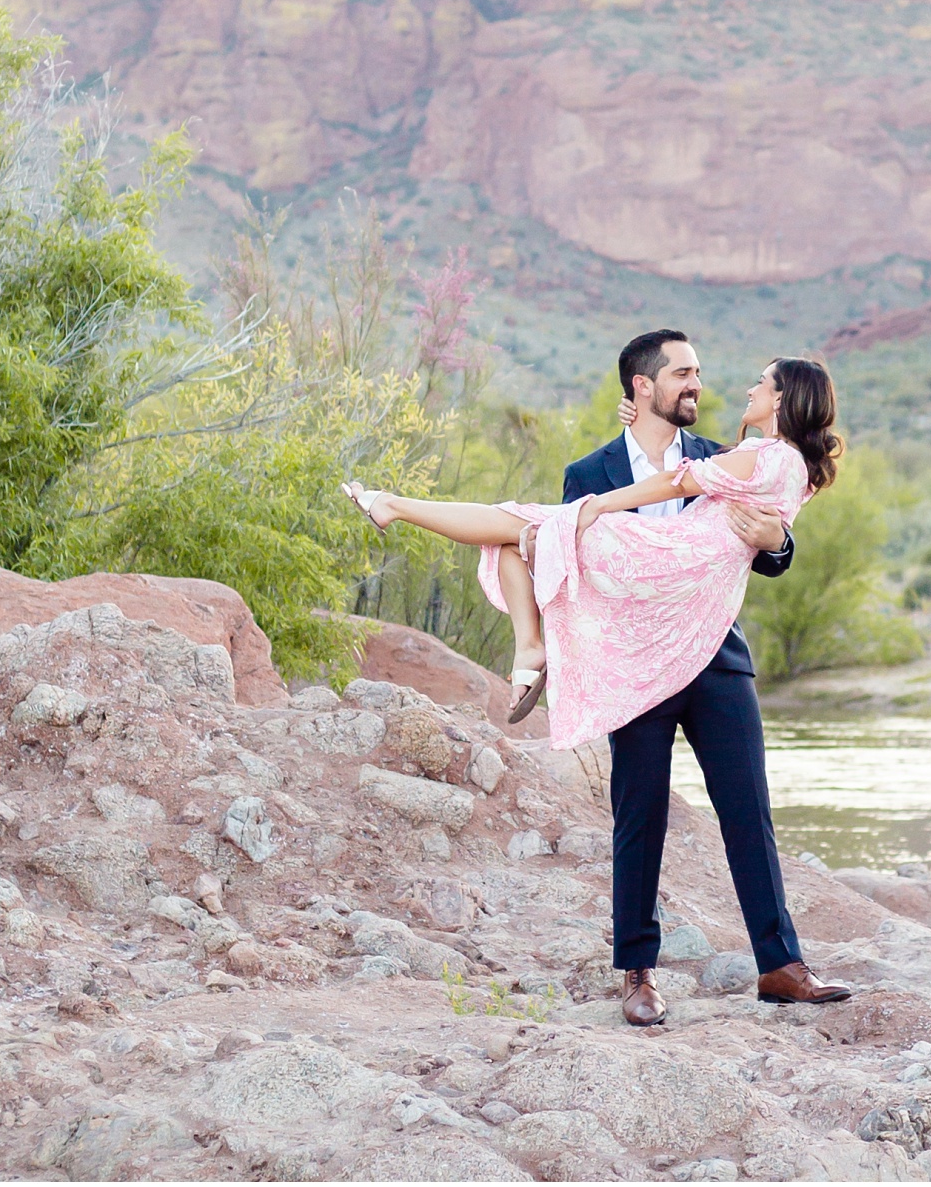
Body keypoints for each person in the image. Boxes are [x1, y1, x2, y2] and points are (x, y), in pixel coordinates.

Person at [341, 329, 853, 1023]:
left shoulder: (722, 454)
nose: (698, 384)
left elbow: (769, 542)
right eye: (683, 373)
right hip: (630, 662)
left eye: (698, 372)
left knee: (747, 809)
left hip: (712, 656)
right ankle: (637, 972)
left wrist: (777, 540)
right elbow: (576, 575)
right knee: (637, 812)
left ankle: (781, 963)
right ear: (643, 387)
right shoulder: (590, 470)